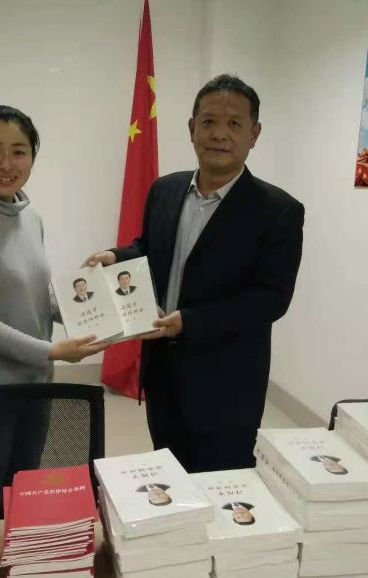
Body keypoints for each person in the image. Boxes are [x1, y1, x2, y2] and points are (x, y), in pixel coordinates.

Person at [84, 74, 305, 473]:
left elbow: (271, 298)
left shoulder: (278, 210)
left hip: (227, 382)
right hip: (162, 372)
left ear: (254, 134)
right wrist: (116, 256)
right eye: (209, 122)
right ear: (191, 129)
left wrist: (190, 321)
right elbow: (150, 249)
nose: (219, 134)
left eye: (234, 124)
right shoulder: (164, 190)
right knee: (169, 475)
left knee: (221, 483)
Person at [0, 106, 107, 510]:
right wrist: (51, 350)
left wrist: (95, 304)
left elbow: (37, 296)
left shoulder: (31, 218)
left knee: (21, 504)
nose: (7, 164)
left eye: (19, 152)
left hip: (35, 387)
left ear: (32, 157)